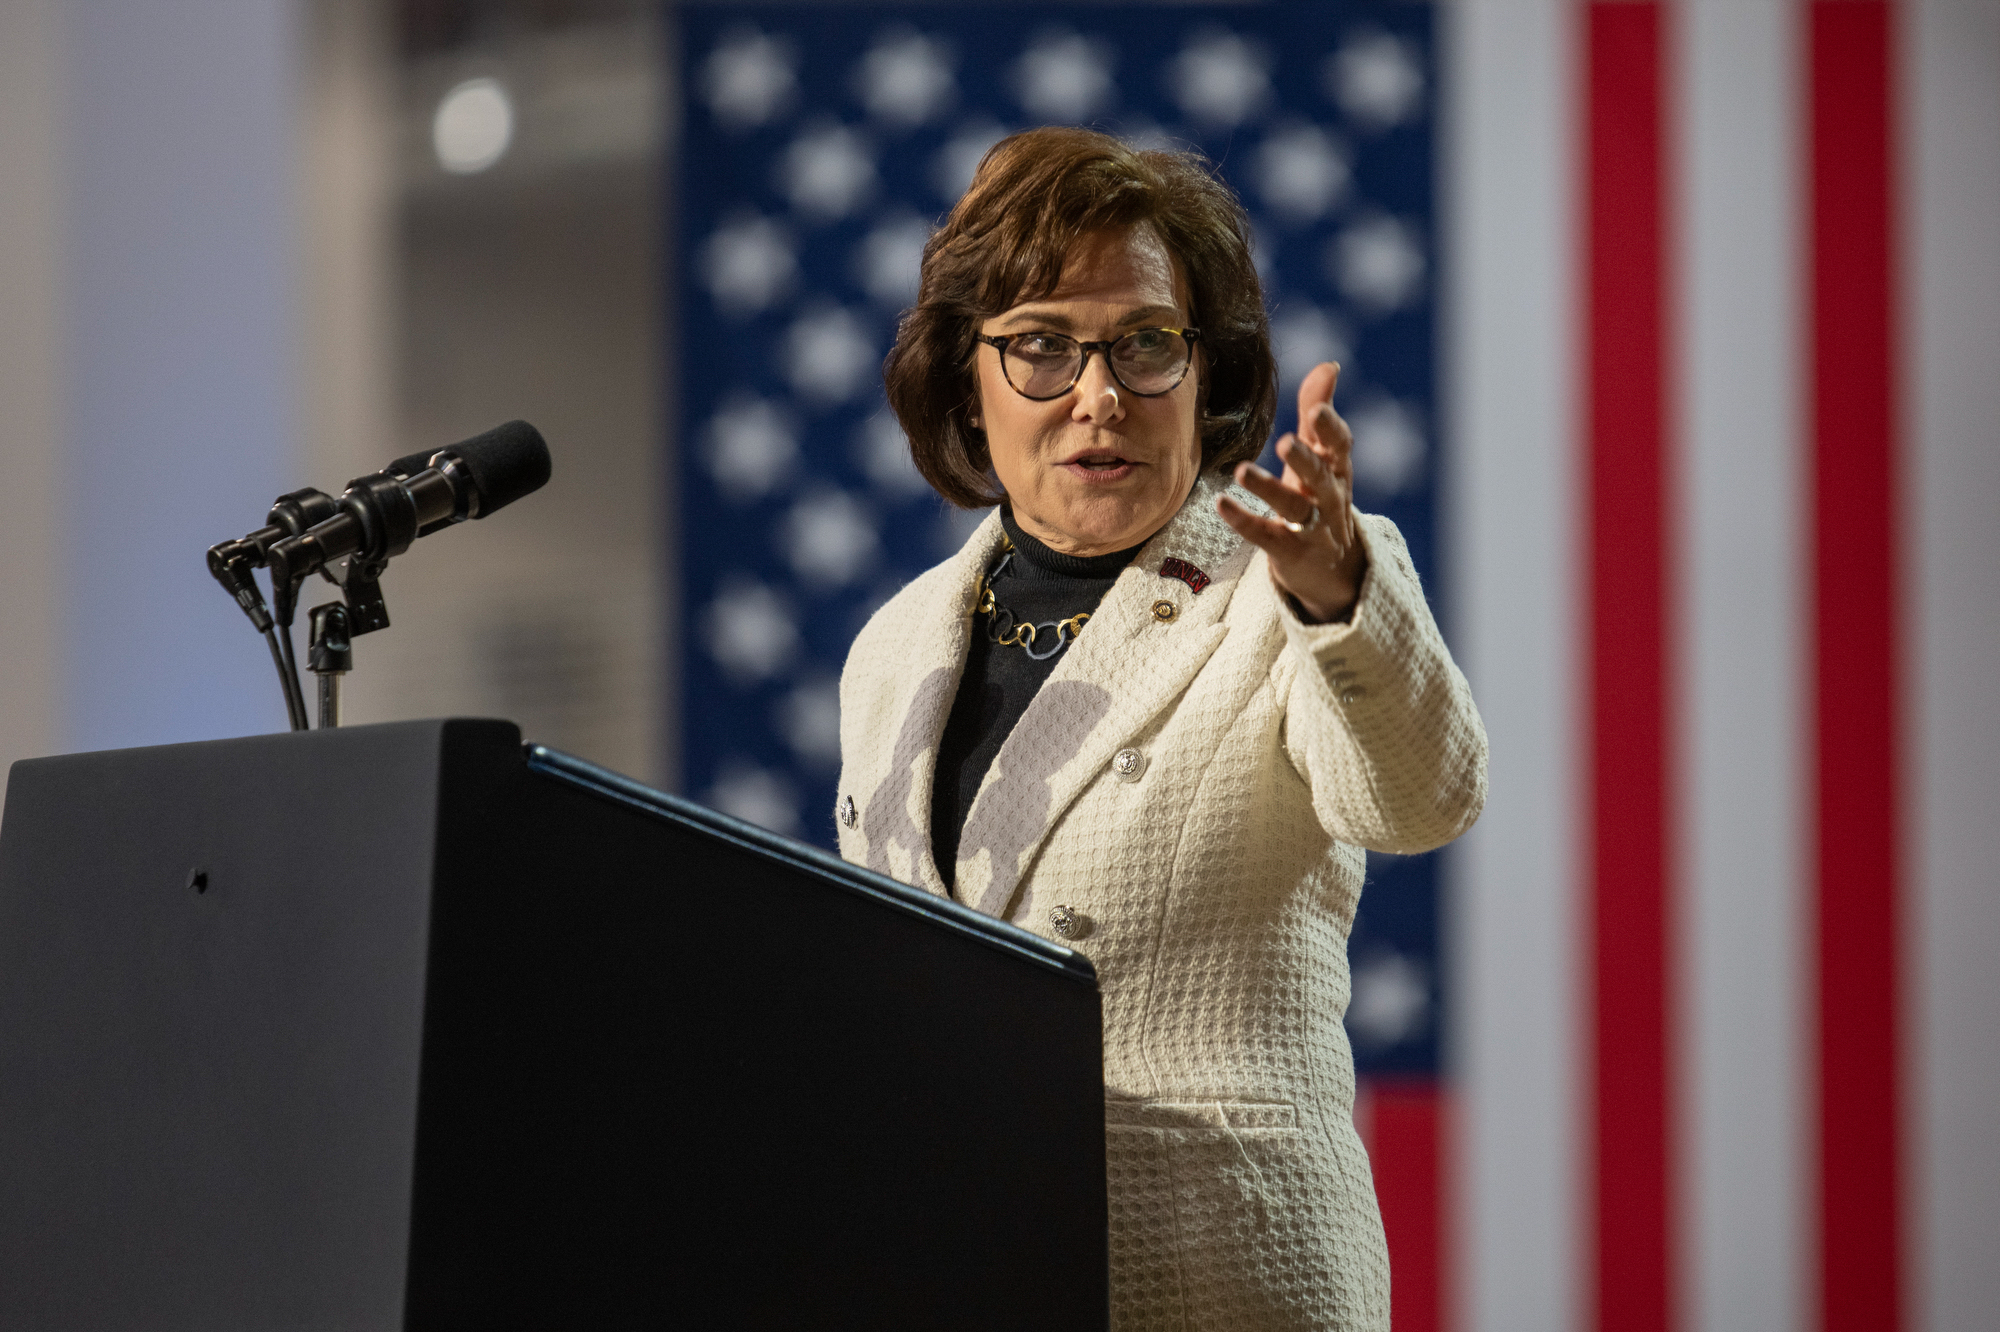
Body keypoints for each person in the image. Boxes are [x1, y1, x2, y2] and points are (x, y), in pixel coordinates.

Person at [833, 127, 1487, 1332]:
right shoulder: (891, 645)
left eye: (1142, 343)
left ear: (1202, 373)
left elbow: (1421, 798)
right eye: (1040, 345)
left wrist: (1335, 594)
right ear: (966, 383)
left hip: (1223, 1286)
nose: (1098, 395)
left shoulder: (1291, 585)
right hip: (969, 1272)